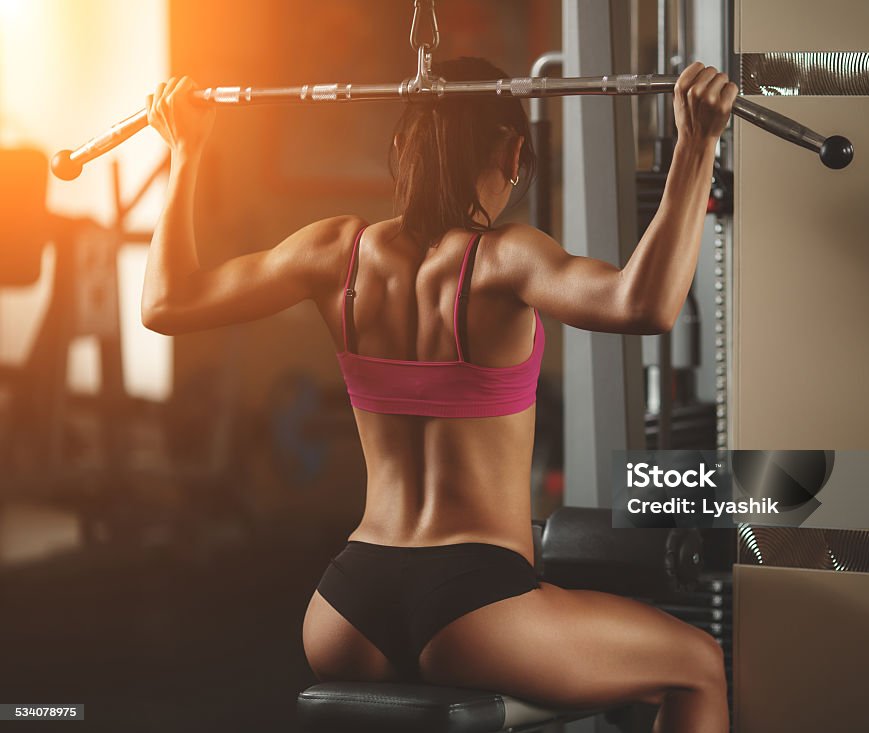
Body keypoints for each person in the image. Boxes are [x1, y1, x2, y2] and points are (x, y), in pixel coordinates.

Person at [143, 56, 736, 733]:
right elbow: (646, 302)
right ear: (513, 154)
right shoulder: (505, 257)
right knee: (695, 661)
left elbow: (165, 301)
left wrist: (187, 148)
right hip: (476, 605)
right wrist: (696, 143)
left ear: (401, 150)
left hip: (345, 605)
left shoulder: (334, 249)